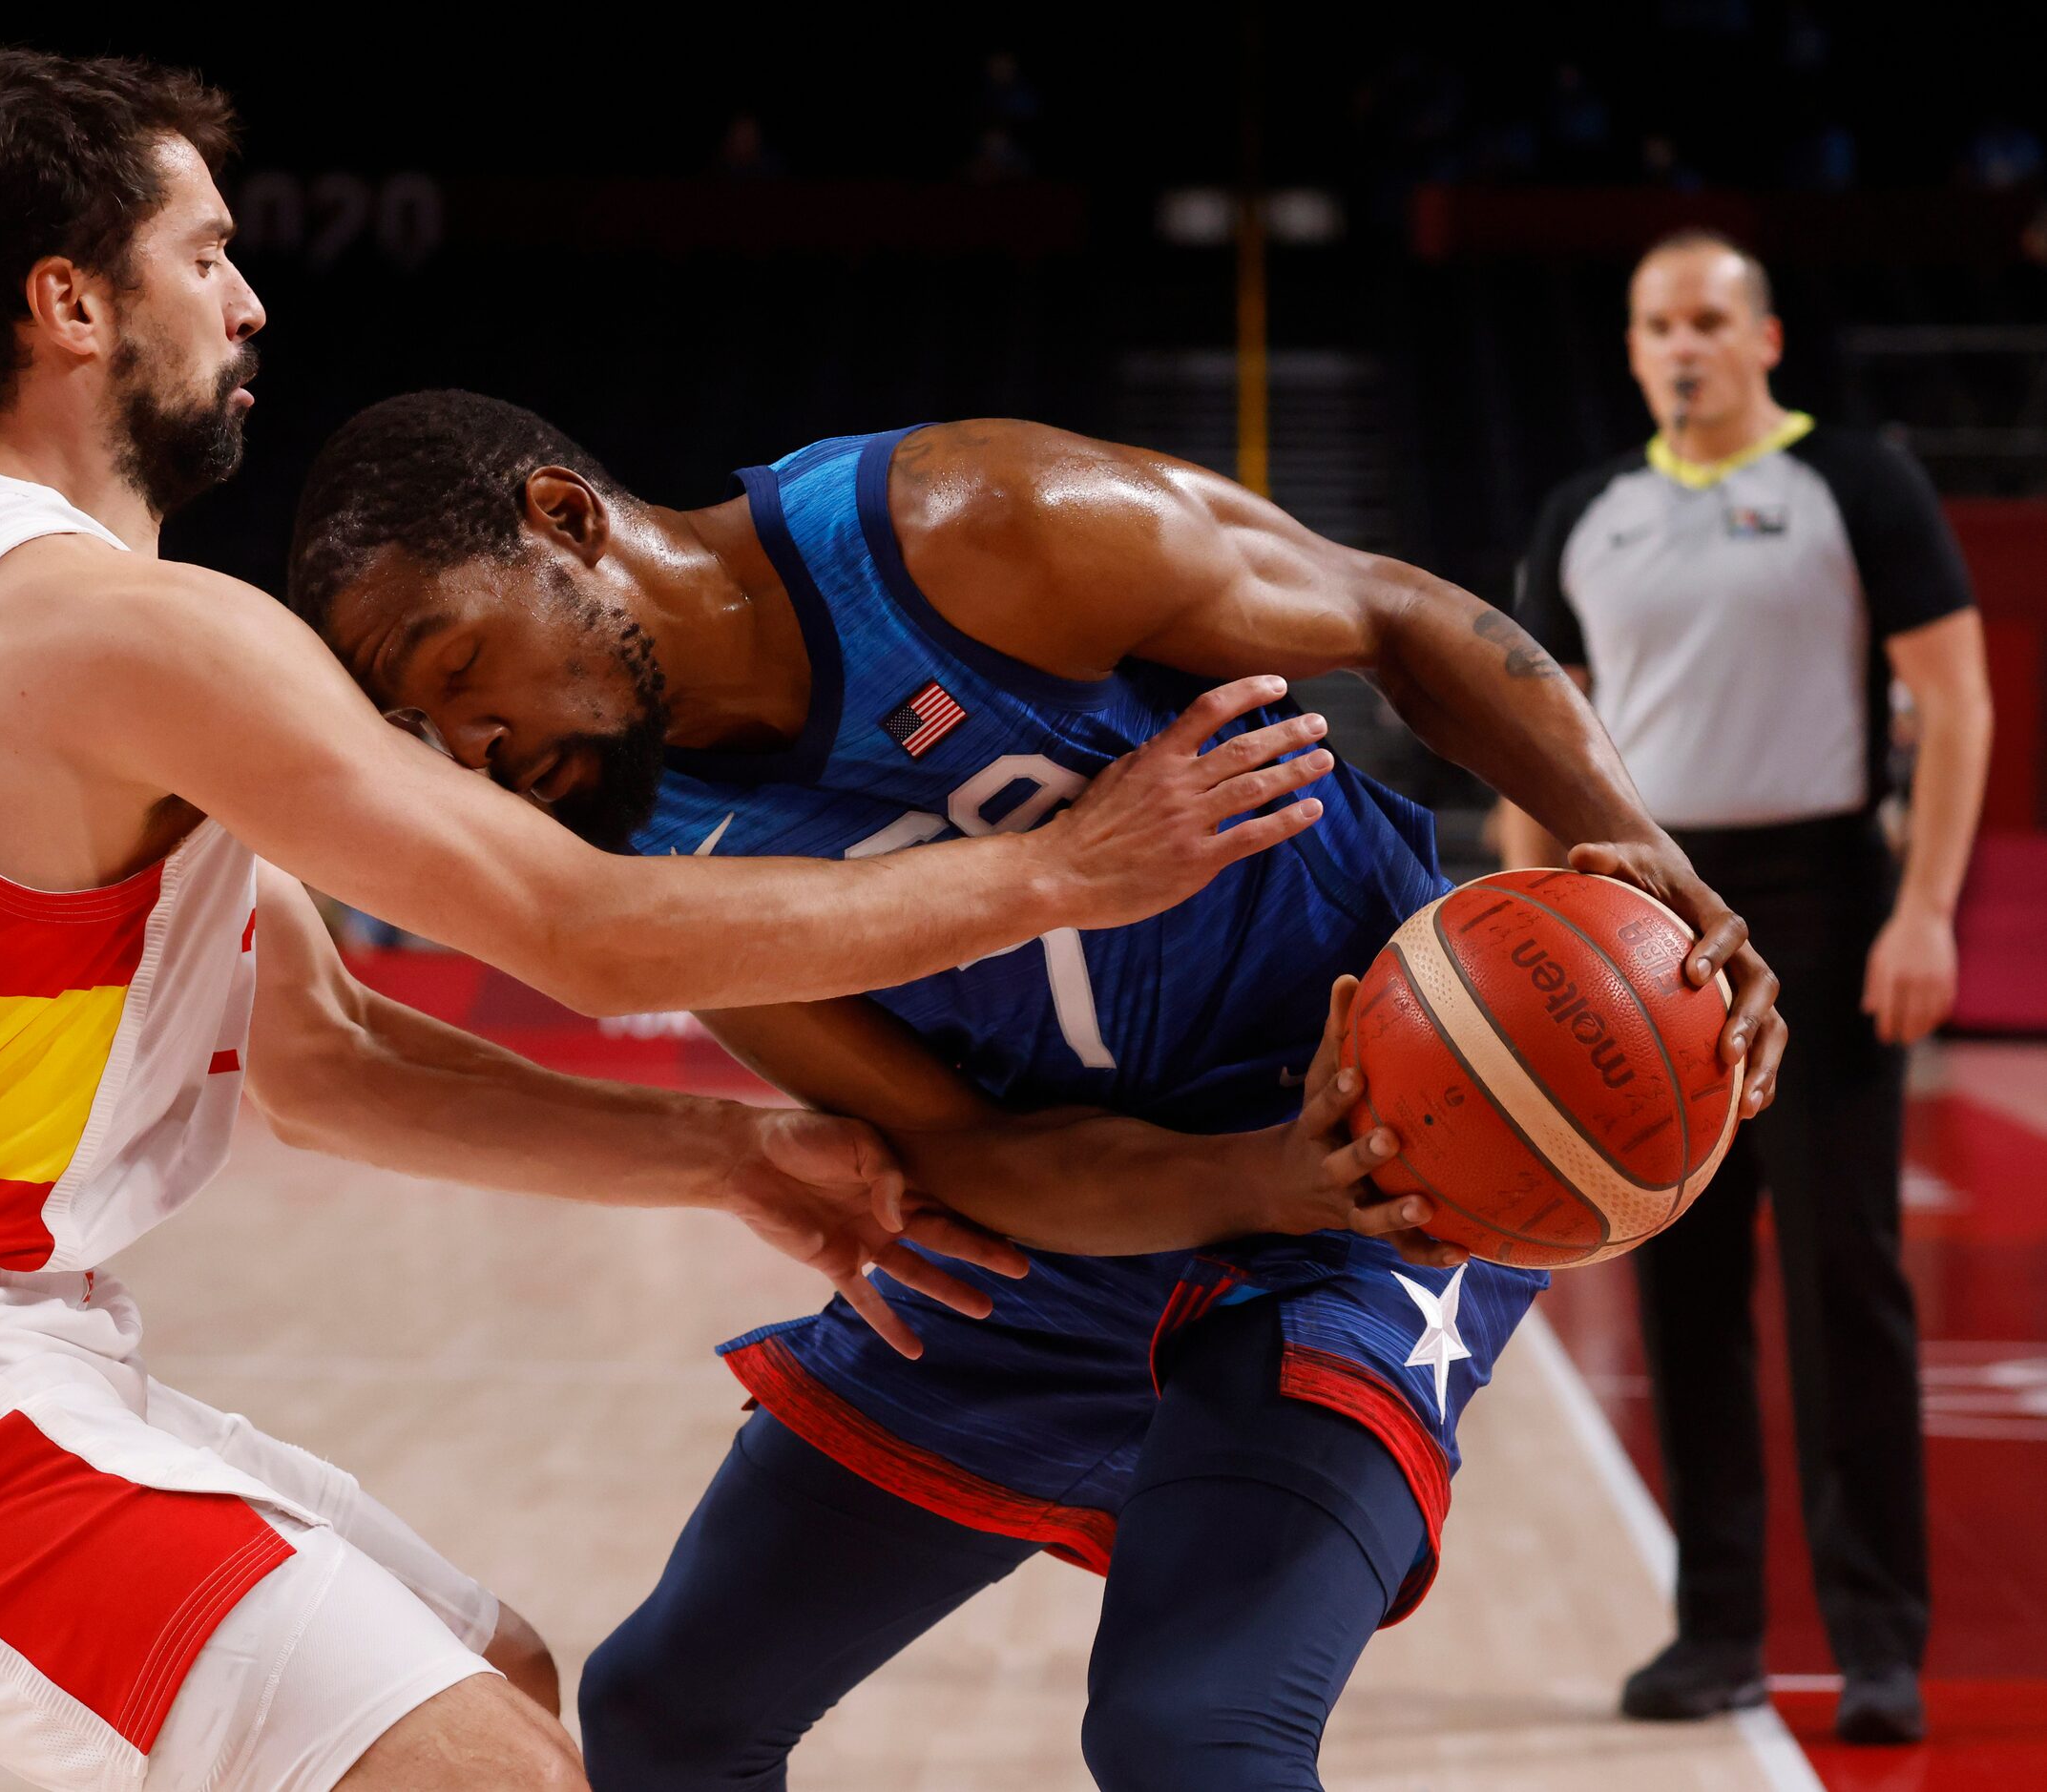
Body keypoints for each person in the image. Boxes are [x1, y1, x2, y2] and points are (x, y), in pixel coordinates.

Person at [0, 50, 1320, 1792]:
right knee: (479, 1770)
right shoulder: (115, 629)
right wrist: (1062, 870)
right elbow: (586, 929)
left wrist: (727, 1151)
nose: (247, 301)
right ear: (70, 302)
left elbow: (323, 1054)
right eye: (202, 254)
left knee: (494, 1674)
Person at [285, 391, 1789, 1790]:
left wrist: (1628, 841)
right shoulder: (627, 861)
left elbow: (1396, 615)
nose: (468, 747)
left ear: (565, 518)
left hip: (1386, 1141)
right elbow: (956, 1144)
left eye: (458, 665)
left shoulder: (968, 534)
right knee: (666, 1714)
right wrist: (1246, 1178)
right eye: (424, 729)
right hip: (1102, 1196)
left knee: (1190, 1732)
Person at [1504, 229, 1989, 1746]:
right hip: (1639, 922)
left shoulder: (1855, 485)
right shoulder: (1584, 513)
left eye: (1707, 318)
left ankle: (1875, 1643)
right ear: (1635, 344)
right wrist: (1532, 936)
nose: (1680, 344)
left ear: (1763, 336)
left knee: (1847, 1285)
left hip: (1823, 908)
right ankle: (1711, 1627)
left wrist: (1922, 910)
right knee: (1683, 1287)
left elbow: (1956, 700)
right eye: (1657, 323)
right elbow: (1537, 739)